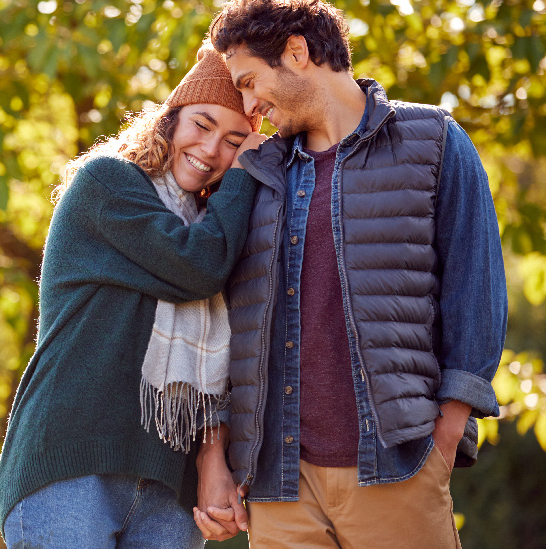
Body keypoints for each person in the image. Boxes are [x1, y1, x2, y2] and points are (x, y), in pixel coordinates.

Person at [192, 1, 509, 547]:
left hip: (398, 466)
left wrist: (448, 432)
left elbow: (475, 286)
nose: (248, 107)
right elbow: (222, 327)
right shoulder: (256, 174)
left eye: (249, 82)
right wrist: (214, 456)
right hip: (277, 484)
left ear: (297, 51)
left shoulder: (432, 140)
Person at [0, 43, 266, 548]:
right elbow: (196, 266)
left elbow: (232, 358)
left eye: (233, 142)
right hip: (72, 465)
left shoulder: (217, 227)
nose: (211, 151)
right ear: (169, 120)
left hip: (168, 482)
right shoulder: (108, 184)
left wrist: (213, 458)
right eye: (201, 126)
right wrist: (249, 168)